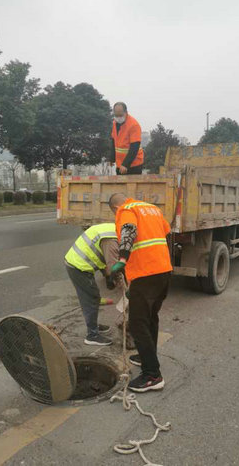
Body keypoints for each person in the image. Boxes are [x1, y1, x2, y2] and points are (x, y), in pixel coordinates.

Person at [109, 194, 172, 392]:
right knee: (151, 317)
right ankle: (147, 355)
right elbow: (166, 233)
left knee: (138, 323)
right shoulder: (152, 209)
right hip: (163, 271)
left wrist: (122, 259)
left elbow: (129, 230)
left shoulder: (127, 210)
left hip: (146, 274)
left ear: (115, 207)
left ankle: (152, 375)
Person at [65, 223, 119, 346]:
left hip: (75, 261)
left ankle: (93, 325)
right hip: (78, 267)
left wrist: (107, 275)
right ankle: (92, 335)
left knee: (92, 297)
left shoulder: (112, 228)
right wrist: (117, 281)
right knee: (91, 298)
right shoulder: (111, 239)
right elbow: (113, 267)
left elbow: (101, 256)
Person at [110, 102, 144, 175]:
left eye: (120, 115)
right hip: (120, 164)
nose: (118, 117)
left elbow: (134, 147)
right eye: (116, 115)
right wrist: (112, 158)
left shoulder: (133, 125)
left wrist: (126, 164)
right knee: (120, 186)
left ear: (126, 112)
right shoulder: (114, 123)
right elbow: (113, 141)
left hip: (134, 165)